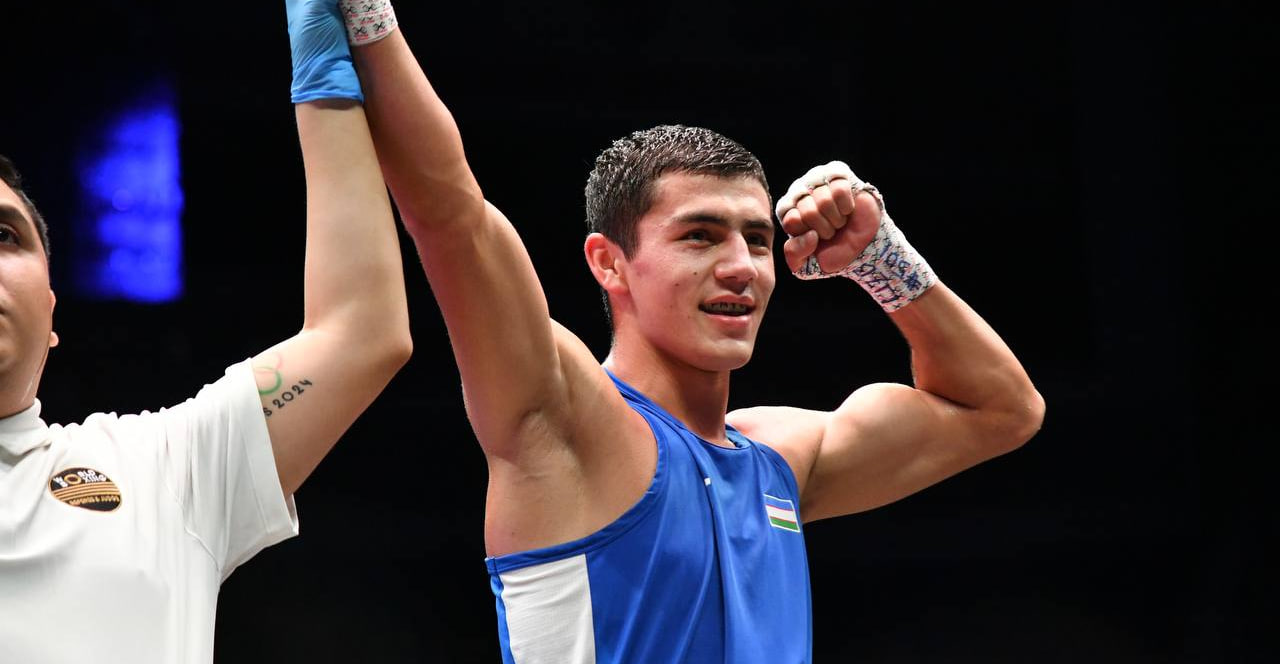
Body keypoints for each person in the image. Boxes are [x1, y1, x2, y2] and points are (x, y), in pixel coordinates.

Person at [343, 3, 1044, 661]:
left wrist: (879, 257)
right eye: (700, 236)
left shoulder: (782, 460)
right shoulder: (564, 419)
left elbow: (1002, 410)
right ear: (609, 263)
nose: (741, 266)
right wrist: (365, 17)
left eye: (758, 239)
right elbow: (449, 212)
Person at [0, 2, 410, 662]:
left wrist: (327, 64)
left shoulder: (161, 473)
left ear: (51, 316)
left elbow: (361, 331)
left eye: (5, 236)